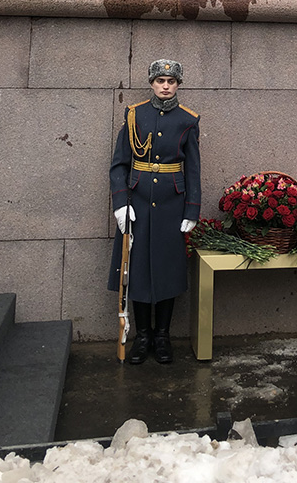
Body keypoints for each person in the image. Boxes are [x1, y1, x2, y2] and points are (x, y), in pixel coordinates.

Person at [107, 59, 201, 365]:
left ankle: (162, 335)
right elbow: (120, 163)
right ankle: (143, 335)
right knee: (135, 271)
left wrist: (191, 209)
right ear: (151, 83)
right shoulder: (134, 115)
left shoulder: (188, 120)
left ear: (177, 85)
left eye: (171, 81)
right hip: (138, 205)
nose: (165, 86)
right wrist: (121, 204)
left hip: (172, 207)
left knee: (167, 270)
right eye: (160, 80)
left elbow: (194, 170)